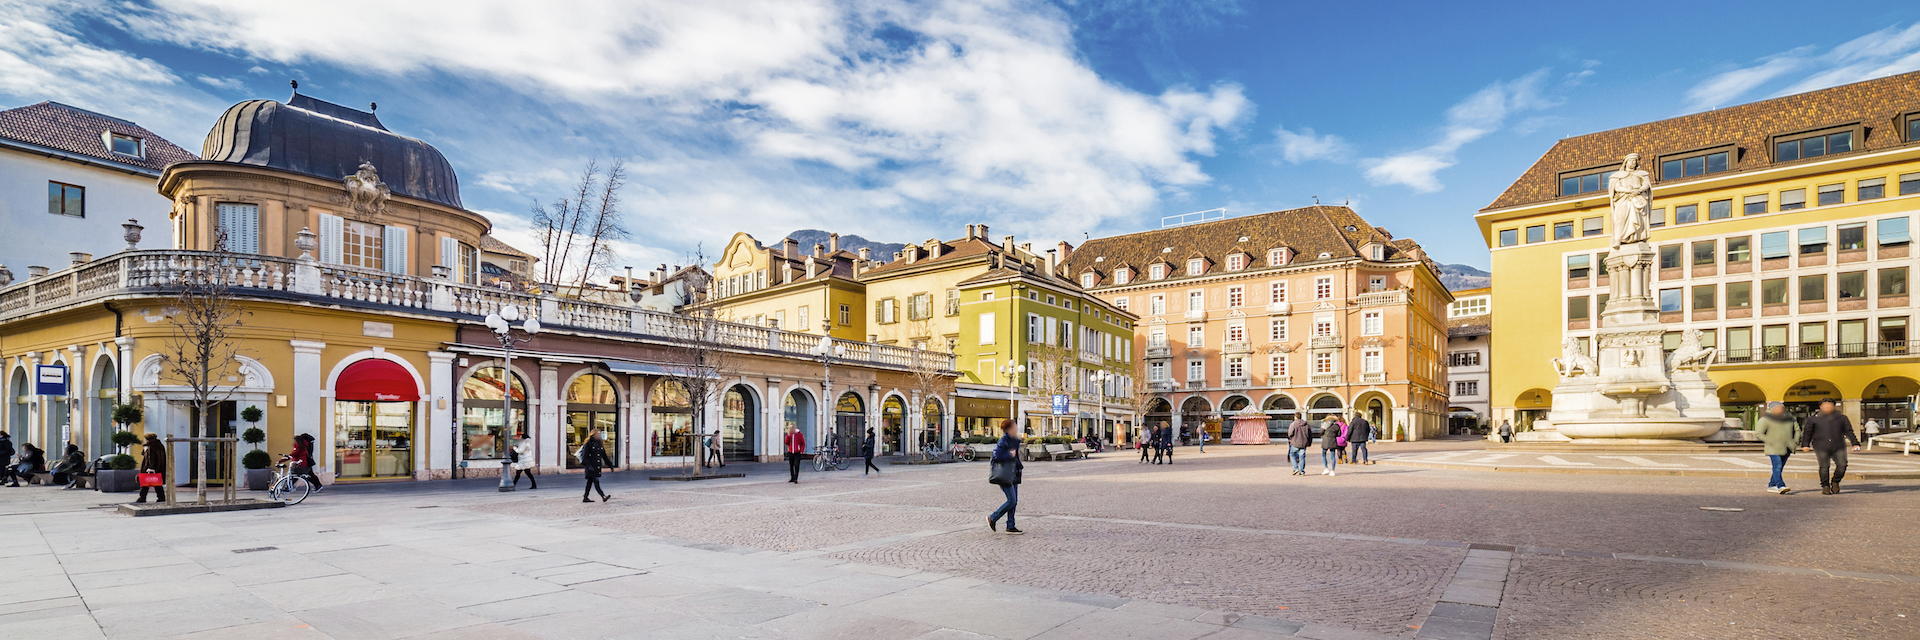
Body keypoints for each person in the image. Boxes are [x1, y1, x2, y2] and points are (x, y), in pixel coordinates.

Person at [1798, 399, 1859, 494]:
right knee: (1824, 466)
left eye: (1830, 406)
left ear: (1834, 407)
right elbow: (1808, 432)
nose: (1828, 408)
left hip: (1838, 445)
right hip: (1821, 445)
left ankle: (1835, 481)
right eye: (1825, 406)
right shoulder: (1813, 418)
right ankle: (1825, 486)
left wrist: (1855, 443)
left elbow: (1849, 431)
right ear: (1821, 407)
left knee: (1842, 465)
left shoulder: (1842, 418)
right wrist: (1805, 444)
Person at [987, 419, 1024, 535]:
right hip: (1005, 475)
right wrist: (1009, 454)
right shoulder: (1003, 441)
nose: (1017, 428)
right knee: (1011, 500)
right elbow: (996, 455)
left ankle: (1010, 525)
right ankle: (993, 517)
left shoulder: (1014, 441)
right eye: (1015, 426)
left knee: (1014, 501)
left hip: (1014, 473)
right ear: (1009, 429)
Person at [1753, 402, 1800, 494]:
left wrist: (1795, 441)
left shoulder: (1790, 418)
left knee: (1779, 467)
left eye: (1782, 408)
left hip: (1787, 446)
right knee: (1777, 465)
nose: (1780, 409)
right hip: (1773, 447)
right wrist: (1771, 440)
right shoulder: (1765, 419)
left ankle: (1771, 485)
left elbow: (1797, 430)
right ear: (1772, 409)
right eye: (1778, 408)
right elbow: (1759, 433)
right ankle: (1780, 485)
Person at [579, 428, 612, 503]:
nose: (599, 436)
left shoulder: (599, 444)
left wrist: (610, 465)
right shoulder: (588, 444)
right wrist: (589, 466)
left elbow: (604, 456)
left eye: (600, 434)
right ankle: (603, 496)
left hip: (596, 467)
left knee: (589, 483)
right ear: (593, 435)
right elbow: (585, 457)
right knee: (596, 481)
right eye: (598, 434)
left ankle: (585, 497)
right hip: (590, 467)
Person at [134, 434, 166, 502]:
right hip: (158, 468)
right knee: (157, 484)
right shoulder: (160, 446)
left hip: (150, 469)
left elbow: (151, 458)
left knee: (145, 484)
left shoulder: (151, 446)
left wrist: (151, 468)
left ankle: (142, 498)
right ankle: (161, 497)